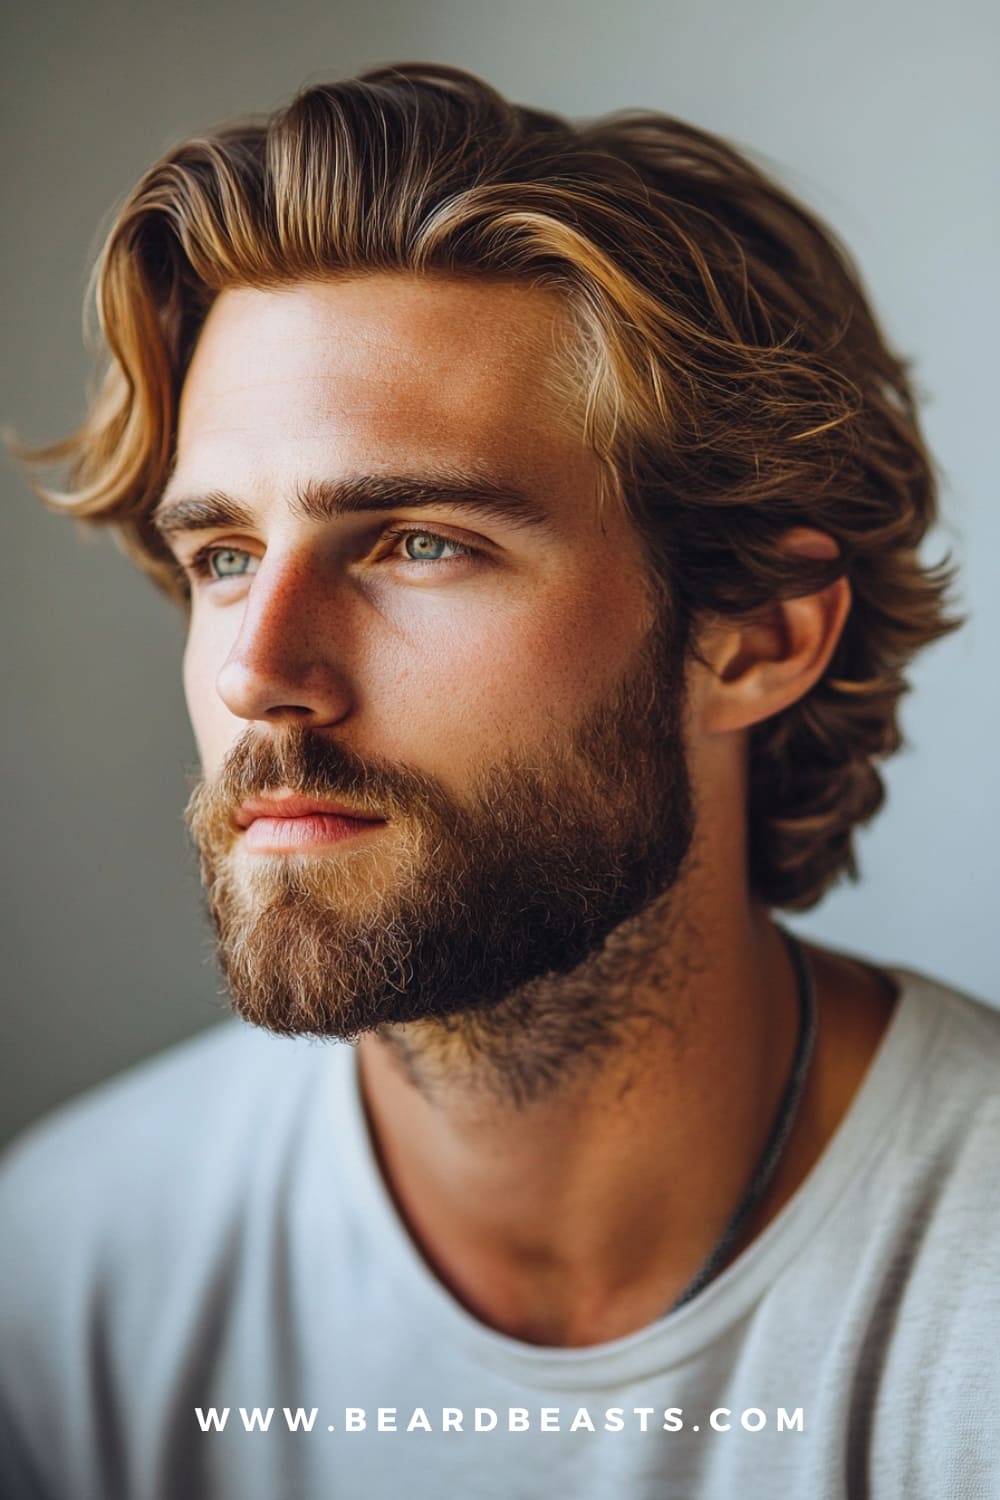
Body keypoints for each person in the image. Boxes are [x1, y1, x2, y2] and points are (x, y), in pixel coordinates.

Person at [1, 62, 996, 1500]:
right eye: (224, 556)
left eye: (417, 542)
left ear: (759, 637)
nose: (257, 673)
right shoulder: (70, 1281)